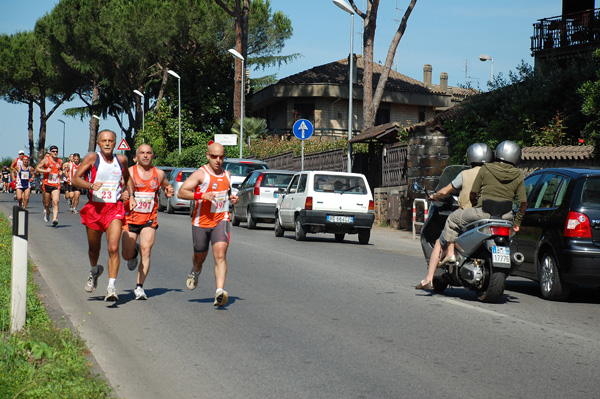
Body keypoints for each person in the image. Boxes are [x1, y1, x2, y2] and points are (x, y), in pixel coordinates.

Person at [416, 143, 493, 290]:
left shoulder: (465, 174)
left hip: (469, 214)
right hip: (489, 214)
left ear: (470, 156)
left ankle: (428, 279)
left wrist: (435, 196)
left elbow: (446, 190)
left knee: (440, 241)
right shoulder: (492, 174)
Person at [72, 130, 136, 302]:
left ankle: (111, 287)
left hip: (114, 209)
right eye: (104, 141)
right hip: (94, 208)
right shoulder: (92, 158)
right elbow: (75, 179)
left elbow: (128, 178)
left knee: (113, 247)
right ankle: (94, 271)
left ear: (115, 143)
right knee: (94, 249)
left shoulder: (121, 160)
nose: (107, 144)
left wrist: (132, 195)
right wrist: (91, 185)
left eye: (110, 141)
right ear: (98, 144)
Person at [440, 140, 527, 265]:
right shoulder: (518, 175)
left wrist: (475, 206)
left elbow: (473, 194)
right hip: (506, 217)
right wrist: (517, 222)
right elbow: (523, 204)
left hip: (483, 212)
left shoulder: (486, 169)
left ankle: (450, 254)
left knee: (452, 219)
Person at [177, 141, 239, 307]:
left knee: (220, 253)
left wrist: (232, 198)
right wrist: (201, 196)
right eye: (214, 157)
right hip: (201, 222)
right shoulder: (200, 174)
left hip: (221, 219)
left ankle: (219, 291)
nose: (218, 160)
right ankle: (195, 271)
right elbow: (182, 192)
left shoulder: (227, 175)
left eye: (221, 157)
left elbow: (227, 194)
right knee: (199, 256)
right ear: (208, 156)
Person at [121, 144, 174, 300]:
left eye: (148, 153)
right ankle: (133, 253)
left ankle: (139, 287)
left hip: (149, 219)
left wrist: (169, 190)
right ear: (136, 156)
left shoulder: (159, 173)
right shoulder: (129, 172)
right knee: (126, 255)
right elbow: (117, 190)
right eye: (142, 153)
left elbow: (166, 185)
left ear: (152, 155)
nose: (145, 155)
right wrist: (122, 195)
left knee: (147, 250)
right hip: (130, 219)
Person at [36, 145, 63, 226]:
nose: (55, 153)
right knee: (47, 203)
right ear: (50, 152)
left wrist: (61, 172)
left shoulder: (60, 161)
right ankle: (47, 211)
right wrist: (45, 170)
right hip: (47, 184)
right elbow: (37, 168)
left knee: (55, 201)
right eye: (53, 151)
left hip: (56, 184)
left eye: (56, 151)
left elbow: (60, 169)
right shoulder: (46, 160)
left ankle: (55, 219)